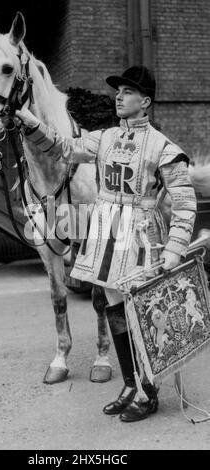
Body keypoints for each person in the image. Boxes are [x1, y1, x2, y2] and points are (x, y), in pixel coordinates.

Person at [15, 65, 197, 422]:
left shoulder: (163, 147)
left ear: (145, 102)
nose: (118, 96)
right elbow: (64, 149)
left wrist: (175, 248)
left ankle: (148, 390)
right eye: (118, 91)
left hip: (143, 234)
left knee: (144, 310)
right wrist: (32, 123)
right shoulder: (104, 137)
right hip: (106, 232)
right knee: (113, 306)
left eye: (127, 92)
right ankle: (130, 385)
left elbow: (185, 201)